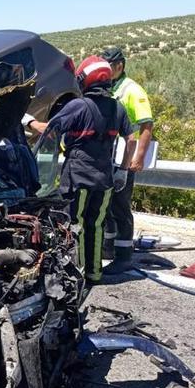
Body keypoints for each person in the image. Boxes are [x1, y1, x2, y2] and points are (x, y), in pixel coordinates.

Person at [41, 56, 134, 284]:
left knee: (75, 225)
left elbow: (50, 130)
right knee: (96, 225)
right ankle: (94, 273)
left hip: (78, 179)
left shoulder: (78, 106)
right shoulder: (117, 108)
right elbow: (132, 140)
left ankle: (77, 275)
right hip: (105, 180)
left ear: (84, 80)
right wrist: (123, 169)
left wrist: (26, 121)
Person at [100, 47, 154, 275]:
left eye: (108, 67)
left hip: (125, 158)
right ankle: (108, 248)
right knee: (108, 206)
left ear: (119, 66)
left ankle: (124, 256)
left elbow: (146, 124)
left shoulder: (131, 90)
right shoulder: (109, 88)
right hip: (109, 158)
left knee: (121, 206)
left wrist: (138, 158)